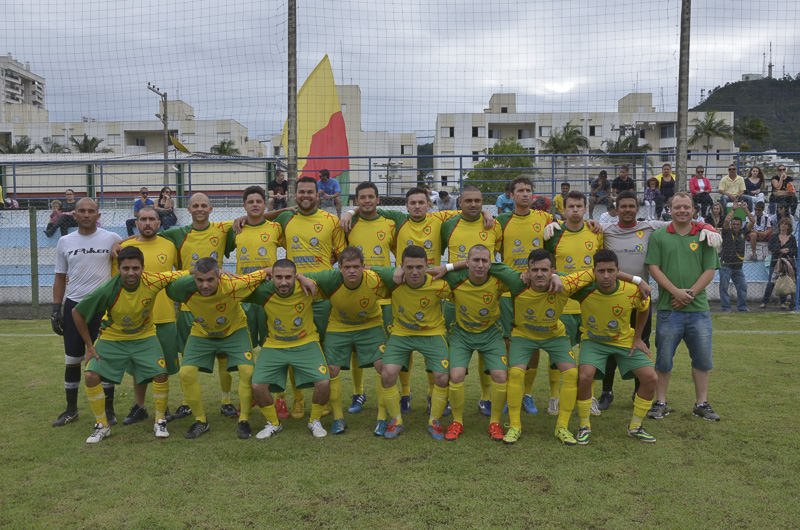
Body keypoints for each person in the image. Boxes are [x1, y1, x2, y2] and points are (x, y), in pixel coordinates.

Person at [596, 190, 720, 411]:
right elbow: (582, 226)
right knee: (611, 345)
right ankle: (608, 392)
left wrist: (707, 226)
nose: (627, 210)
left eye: (631, 206)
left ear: (638, 209)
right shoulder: (606, 229)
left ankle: (644, 392)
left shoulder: (652, 227)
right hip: (619, 299)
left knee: (642, 345)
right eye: (623, 206)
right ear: (616, 209)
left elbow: (706, 264)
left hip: (644, 299)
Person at [72, 246, 186, 443]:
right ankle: (102, 425)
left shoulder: (153, 280)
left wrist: (217, 271)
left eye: (135, 268)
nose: (131, 272)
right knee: (90, 375)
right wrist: (89, 346)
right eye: (126, 268)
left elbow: (187, 273)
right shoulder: (108, 289)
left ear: (143, 268)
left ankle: (160, 421)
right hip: (112, 337)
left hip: (144, 336)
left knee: (161, 373)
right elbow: (77, 312)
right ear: (119, 268)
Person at [487, 250, 595, 445]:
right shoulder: (517, 282)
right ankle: (514, 426)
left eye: (544, 270)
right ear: (527, 271)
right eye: (534, 270)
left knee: (571, 374)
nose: (539, 274)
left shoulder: (564, 283)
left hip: (554, 335)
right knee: (516, 373)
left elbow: (596, 272)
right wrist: (449, 267)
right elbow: (483, 264)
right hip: (524, 335)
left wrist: (637, 281)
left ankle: (562, 427)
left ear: (552, 270)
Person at [165, 258, 269, 439]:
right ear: (194, 278)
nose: (204, 285)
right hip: (202, 332)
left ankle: (244, 419)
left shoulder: (233, 284)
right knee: (186, 373)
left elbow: (267, 271)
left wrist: (300, 277)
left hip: (234, 331)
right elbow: (165, 282)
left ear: (219, 277)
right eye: (200, 280)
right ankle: (200, 420)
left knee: (247, 371)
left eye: (210, 280)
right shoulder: (182, 287)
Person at [645, 192, 722, 422]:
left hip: (698, 311)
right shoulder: (659, 236)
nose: (682, 210)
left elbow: (710, 270)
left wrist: (689, 294)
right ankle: (660, 402)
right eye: (677, 207)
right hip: (669, 310)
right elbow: (654, 268)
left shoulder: (704, 236)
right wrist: (676, 292)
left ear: (693, 210)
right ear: (669, 209)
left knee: (702, 360)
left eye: (686, 207)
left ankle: (701, 403)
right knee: (664, 360)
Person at [274, 176, 346, 418]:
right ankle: (298, 399)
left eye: (310, 192)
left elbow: (341, 255)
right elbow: (259, 222)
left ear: (318, 194)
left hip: (322, 296)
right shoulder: (286, 219)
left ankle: (321, 399)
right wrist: (241, 219)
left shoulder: (331, 220)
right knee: (293, 347)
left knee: (322, 348)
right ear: (295, 195)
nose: (305, 195)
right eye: (301, 191)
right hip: (293, 295)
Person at [572, 249, 658, 445]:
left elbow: (644, 308)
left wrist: (638, 338)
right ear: (593, 272)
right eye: (601, 271)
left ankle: (635, 427)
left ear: (618, 271)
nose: (606, 276)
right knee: (584, 376)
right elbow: (560, 280)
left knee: (651, 378)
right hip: (594, 341)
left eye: (610, 271)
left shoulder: (631, 290)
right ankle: (584, 425)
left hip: (623, 340)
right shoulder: (584, 289)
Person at [50, 198, 122, 427]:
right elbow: (60, 276)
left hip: (102, 308)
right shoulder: (64, 241)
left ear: (98, 215)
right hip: (74, 307)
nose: (87, 214)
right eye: (82, 211)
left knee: (103, 359)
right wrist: (56, 308)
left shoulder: (111, 238)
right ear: (74, 215)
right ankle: (71, 409)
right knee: (72, 360)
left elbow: (132, 249)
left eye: (91, 211)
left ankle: (109, 411)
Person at [303, 247, 389, 435]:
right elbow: (296, 275)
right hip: (340, 326)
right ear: (339, 268)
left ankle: (382, 418)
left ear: (363, 267)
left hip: (370, 324)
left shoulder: (374, 280)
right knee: (331, 369)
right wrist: (301, 278)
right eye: (347, 267)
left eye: (356, 267)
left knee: (384, 367)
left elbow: (400, 274)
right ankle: (338, 418)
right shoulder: (330, 278)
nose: (352, 271)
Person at [371, 245, 453, 439]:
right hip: (402, 334)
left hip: (432, 333)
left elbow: (471, 270)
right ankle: (396, 420)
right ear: (401, 267)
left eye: (419, 267)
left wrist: (450, 267)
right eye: (409, 267)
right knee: (387, 374)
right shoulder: (393, 279)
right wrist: (395, 271)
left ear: (427, 266)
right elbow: (366, 268)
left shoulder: (439, 282)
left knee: (442, 377)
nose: (414, 272)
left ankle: (434, 421)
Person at [243, 259, 331, 439]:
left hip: (306, 342)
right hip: (275, 344)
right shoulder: (263, 291)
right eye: (279, 277)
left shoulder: (307, 287)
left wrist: (303, 278)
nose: (283, 282)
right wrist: (264, 271)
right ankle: (273, 423)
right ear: (272, 277)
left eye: (288, 277)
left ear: (295, 277)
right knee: (257, 386)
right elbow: (239, 284)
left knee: (323, 383)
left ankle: (314, 420)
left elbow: (332, 280)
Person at [496, 176, 561, 417]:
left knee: (532, 341)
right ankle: (509, 392)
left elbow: (566, 233)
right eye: (520, 190)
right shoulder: (501, 221)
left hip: (537, 290)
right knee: (508, 342)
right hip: (509, 290)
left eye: (528, 190)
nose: (525, 194)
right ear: (511, 195)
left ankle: (527, 393)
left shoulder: (544, 218)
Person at [441, 185, 503, 417]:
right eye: (468, 201)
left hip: (485, 294)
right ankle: (447, 397)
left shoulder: (493, 224)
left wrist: (488, 214)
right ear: (460, 203)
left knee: (486, 350)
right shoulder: (448, 224)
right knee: (451, 351)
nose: (474, 204)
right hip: (455, 296)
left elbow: (499, 256)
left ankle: (485, 398)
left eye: (478, 200)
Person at [116, 207, 181, 426]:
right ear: (136, 223)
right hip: (138, 319)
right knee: (139, 366)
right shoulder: (125, 249)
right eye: (142, 219)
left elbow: (181, 275)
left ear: (159, 223)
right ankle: (140, 407)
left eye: (152, 219)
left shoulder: (170, 245)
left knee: (163, 366)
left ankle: (163, 406)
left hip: (165, 316)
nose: (147, 223)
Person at [437, 245, 508, 441]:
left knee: (501, 376)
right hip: (462, 335)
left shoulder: (499, 281)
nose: (480, 265)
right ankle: (457, 421)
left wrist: (554, 276)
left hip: (491, 334)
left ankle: (495, 423)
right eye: (476, 260)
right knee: (456, 375)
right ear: (466, 262)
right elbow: (424, 273)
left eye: (485, 261)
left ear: (491, 263)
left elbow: (521, 277)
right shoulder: (455, 279)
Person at [340, 181, 398, 415]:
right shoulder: (348, 224)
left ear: (378, 200)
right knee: (356, 347)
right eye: (362, 197)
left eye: (370, 197)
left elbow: (400, 255)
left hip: (383, 295)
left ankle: (397, 395)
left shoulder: (390, 223)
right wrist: (349, 213)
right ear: (356, 201)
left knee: (386, 350)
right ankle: (358, 392)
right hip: (356, 293)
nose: (366, 201)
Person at [544, 190, 604, 416]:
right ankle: (554, 397)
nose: (575, 210)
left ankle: (589, 397)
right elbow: (546, 265)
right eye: (571, 206)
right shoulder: (553, 233)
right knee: (558, 353)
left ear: (585, 208)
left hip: (591, 303)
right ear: (564, 209)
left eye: (579, 206)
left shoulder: (595, 232)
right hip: (563, 305)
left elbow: (602, 265)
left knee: (591, 354)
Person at [719, 205, 754, 312]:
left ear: (741, 225)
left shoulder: (743, 232)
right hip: (726, 265)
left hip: (738, 267)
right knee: (724, 287)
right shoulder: (727, 232)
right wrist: (733, 209)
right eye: (733, 224)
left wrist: (745, 209)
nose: (735, 226)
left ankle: (742, 307)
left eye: (737, 224)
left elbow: (752, 221)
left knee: (743, 287)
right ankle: (726, 308)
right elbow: (726, 220)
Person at [760, 217, 797, 310]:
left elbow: (794, 250)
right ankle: (764, 302)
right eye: (782, 224)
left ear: (789, 227)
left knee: (784, 282)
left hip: (786, 263)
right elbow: (771, 248)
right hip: (775, 262)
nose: (783, 226)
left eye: (785, 224)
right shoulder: (774, 236)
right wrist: (780, 250)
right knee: (771, 283)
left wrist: (788, 251)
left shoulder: (792, 238)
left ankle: (782, 302)